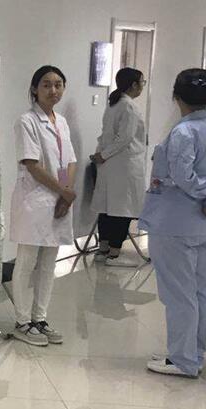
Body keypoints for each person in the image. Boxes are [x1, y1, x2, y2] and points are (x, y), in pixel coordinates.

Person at [141, 68, 206, 377]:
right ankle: (194, 353)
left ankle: (183, 359)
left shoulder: (183, 133)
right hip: (203, 224)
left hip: (174, 223)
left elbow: (183, 178)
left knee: (179, 293)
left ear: (176, 96)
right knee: (198, 291)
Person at [7, 65, 77, 346]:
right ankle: (22, 321)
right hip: (34, 200)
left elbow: (69, 161)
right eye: (46, 84)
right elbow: (32, 165)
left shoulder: (61, 122)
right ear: (35, 89)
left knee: (49, 263)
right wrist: (64, 192)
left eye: (58, 84)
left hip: (58, 200)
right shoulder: (26, 121)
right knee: (27, 261)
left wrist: (65, 194)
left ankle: (40, 318)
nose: (53, 90)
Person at [89, 68, 147, 267]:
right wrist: (103, 155)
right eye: (142, 82)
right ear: (134, 85)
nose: (142, 86)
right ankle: (115, 254)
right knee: (122, 209)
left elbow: (106, 135)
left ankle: (103, 250)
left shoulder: (113, 104)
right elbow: (125, 138)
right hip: (124, 164)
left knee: (107, 208)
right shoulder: (129, 106)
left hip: (110, 164)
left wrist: (101, 155)